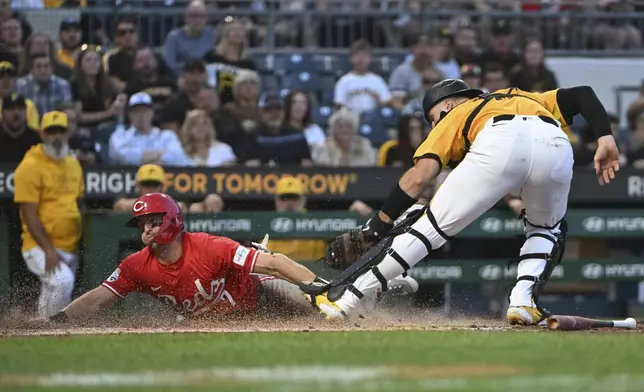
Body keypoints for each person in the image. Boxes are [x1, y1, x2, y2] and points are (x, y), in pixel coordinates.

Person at [311, 79, 621, 326]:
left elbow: (420, 177)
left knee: (428, 228)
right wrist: (605, 137)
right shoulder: (523, 96)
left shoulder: (454, 115)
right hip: (554, 142)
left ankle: (346, 300)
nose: (434, 125)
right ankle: (523, 301)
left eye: (433, 118)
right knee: (546, 228)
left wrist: (379, 224)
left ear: (445, 104)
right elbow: (583, 93)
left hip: (498, 140)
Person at [37, 192, 325, 324]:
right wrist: (60, 319)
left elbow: (274, 263)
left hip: (261, 291)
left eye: (152, 221)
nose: (146, 229)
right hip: (212, 322)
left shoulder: (209, 245)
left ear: (172, 220)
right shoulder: (136, 265)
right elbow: (99, 298)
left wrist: (321, 289)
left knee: (320, 308)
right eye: (141, 224)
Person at [13, 110, 84, 319]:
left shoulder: (72, 163)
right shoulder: (30, 165)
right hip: (40, 246)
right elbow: (28, 213)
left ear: (67, 132)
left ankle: (42, 331)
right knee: (63, 282)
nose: (57, 136)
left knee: (54, 289)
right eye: (51, 131)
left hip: (69, 245)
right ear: (42, 134)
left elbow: (78, 202)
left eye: (60, 130)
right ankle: (52, 327)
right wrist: (48, 249)